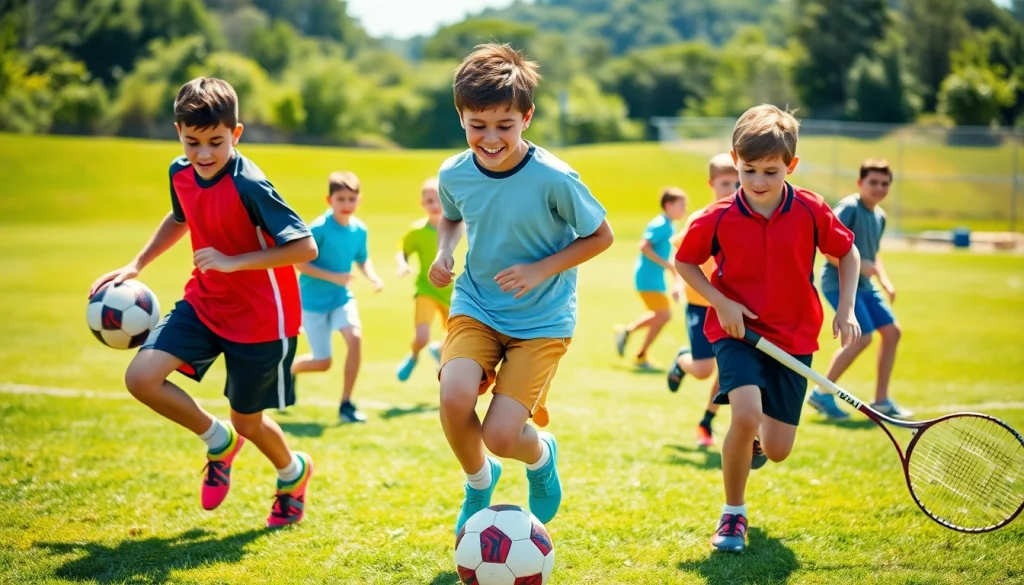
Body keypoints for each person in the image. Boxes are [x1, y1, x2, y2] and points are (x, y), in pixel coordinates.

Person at [88, 77, 317, 528]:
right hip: (205, 303)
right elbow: (180, 217)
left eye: (216, 141)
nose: (204, 153)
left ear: (236, 133)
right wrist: (137, 264)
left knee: (250, 422)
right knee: (142, 378)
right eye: (193, 142)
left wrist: (233, 262)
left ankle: (293, 474)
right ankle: (217, 441)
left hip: (262, 320)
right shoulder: (180, 172)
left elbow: (304, 248)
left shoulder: (251, 184)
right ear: (178, 132)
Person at [429, 43, 614, 535]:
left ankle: (541, 456)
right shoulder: (453, 172)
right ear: (461, 117)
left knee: (501, 435)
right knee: (453, 397)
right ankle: (477, 482)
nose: (490, 138)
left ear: (526, 117)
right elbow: (451, 218)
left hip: (542, 320)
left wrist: (540, 269)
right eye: (477, 125)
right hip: (478, 304)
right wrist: (444, 251)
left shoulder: (554, 178)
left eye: (504, 126)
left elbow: (602, 235)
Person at [674, 104, 861, 553]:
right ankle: (733, 514)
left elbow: (847, 253)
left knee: (777, 449)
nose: (758, 182)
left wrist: (847, 308)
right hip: (737, 333)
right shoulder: (715, 217)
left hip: (794, 337)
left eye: (770, 172)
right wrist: (721, 302)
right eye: (748, 170)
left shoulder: (812, 209)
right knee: (743, 414)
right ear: (735, 161)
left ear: (790, 167)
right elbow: (685, 261)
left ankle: (755, 444)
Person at [807, 159, 912, 420]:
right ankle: (821, 393)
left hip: (865, 285)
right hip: (839, 282)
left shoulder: (880, 216)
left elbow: (874, 255)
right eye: (873, 182)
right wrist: (858, 263)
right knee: (862, 336)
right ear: (860, 183)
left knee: (892, 332)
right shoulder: (849, 208)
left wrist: (884, 280)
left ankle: (881, 401)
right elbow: (828, 246)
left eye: (884, 183)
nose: (879, 188)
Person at [291, 170, 384, 424]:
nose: (346, 204)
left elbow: (362, 258)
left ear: (359, 200)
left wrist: (372, 277)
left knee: (355, 338)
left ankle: (346, 404)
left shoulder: (359, 230)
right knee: (323, 362)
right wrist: (333, 276)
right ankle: (291, 370)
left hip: (342, 298)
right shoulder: (319, 228)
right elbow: (299, 263)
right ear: (329, 200)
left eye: (351, 199)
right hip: (312, 302)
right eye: (340, 199)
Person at [666, 153, 739, 447]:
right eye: (725, 183)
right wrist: (675, 283)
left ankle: (707, 422)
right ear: (711, 184)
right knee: (703, 370)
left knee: (730, 370)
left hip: (732, 307)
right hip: (700, 304)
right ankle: (683, 362)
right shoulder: (701, 218)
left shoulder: (744, 218)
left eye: (737, 183)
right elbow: (680, 256)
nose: (732, 189)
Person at [614, 188, 688, 370]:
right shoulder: (661, 224)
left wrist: (672, 271)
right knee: (664, 314)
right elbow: (644, 246)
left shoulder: (669, 224)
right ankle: (627, 332)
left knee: (661, 316)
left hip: (654, 278)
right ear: (669, 205)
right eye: (681, 205)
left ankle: (641, 354)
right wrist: (668, 266)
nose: (684, 209)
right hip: (648, 277)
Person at [395, 177, 453, 382]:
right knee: (421, 338)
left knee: (455, 337)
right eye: (430, 201)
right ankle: (414, 355)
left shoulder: (458, 227)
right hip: (426, 289)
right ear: (422, 204)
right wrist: (402, 264)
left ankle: (438, 351)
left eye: (439, 200)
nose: (435, 205)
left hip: (452, 292)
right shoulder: (417, 231)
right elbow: (402, 250)